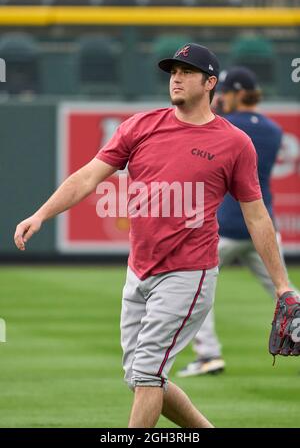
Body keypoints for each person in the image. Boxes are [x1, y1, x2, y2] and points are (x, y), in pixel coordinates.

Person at [14, 44, 294, 428]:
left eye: (186, 72)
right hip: (139, 271)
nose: (176, 78)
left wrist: (282, 286)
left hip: (188, 273)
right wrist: (42, 214)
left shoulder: (233, 142)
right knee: (141, 378)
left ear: (210, 82)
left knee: (147, 374)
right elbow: (87, 177)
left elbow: (257, 216)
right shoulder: (140, 126)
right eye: (172, 71)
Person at [177, 66, 299, 377]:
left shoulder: (225, 126)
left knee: (195, 292)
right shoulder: (273, 131)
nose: (222, 98)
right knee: (285, 291)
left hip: (227, 226)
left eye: (227, 92)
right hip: (263, 228)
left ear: (238, 93)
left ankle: (208, 355)